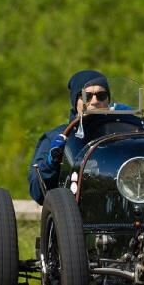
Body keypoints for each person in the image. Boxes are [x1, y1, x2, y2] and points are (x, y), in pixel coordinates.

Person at [27, 69, 110, 205]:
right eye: (87, 96)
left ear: (108, 100)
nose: (95, 101)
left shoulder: (122, 133)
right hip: (72, 216)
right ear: (75, 101)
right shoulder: (56, 137)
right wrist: (51, 162)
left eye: (101, 96)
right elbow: (36, 192)